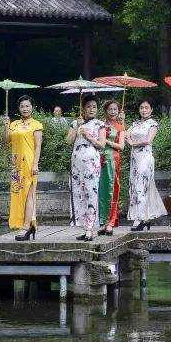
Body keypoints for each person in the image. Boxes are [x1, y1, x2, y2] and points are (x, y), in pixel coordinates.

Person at [3, 95, 43, 240]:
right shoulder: (14, 124)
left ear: (32, 107)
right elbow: (6, 141)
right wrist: (6, 126)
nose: (25, 109)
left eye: (27, 106)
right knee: (17, 194)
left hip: (29, 162)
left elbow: (38, 146)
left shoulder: (36, 125)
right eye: (22, 106)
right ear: (18, 109)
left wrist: (35, 164)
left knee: (29, 194)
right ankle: (26, 224)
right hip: (16, 164)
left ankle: (26, 226)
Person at [68, 97, 107, 241]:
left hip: (92, 163)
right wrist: (77, 128)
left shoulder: (100, 124)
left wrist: (89, 136)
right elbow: (68, 141)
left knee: (91, 192)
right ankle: (84, 227)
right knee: (79, 193)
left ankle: (90, 228)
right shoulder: (75, 123)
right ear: (83, 108)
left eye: (94, 107)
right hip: (77, 163)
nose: (92, 109)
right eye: (89, 107)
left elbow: (102, 145)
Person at [125, 99, 167, 231]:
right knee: (135, 185)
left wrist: (132, 143)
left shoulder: (153, 124)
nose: (144, 110)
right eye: (142, 107)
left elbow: (148, 140)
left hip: (145, 158)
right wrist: (122, 120)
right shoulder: (135, 123)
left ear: (151, 110)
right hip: (135, 158)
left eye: (147, 107)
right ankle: (146, 219)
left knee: (141, 186)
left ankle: (140, 218)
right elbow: (126, 134)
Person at [98, 100, 126, 236]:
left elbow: (121, 146)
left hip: (113, 159)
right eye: (110, 109)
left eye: (115, 109)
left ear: (118, 111)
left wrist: (106, 141)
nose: (113, 112)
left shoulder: (120, 127)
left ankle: (110, 222)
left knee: (112, 190)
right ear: (105, 111)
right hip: (99, 159)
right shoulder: (100, 125)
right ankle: (102, 222)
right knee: (101, 191)